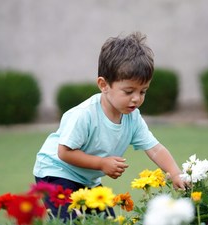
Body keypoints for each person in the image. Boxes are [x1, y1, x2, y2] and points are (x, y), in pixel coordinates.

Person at [32, 32, 187, 220]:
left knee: (106, 221)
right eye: (129, 91)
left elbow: (155, 149)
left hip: (86, 180)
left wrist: (176, 173)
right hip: (56, 172)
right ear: (103, 85)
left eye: (143, 91)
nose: (137, 98)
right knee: (70, 220)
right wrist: (102, 164)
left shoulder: (132, 118)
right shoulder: (85, 115)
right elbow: (64, 153)